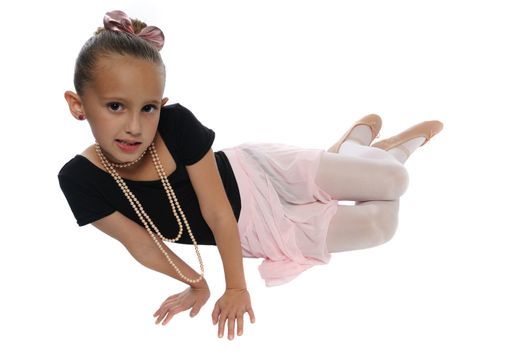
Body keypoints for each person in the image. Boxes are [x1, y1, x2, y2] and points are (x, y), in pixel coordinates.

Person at [58, 10, 443, 341]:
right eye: (114, 106)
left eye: (148, 109)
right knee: (383, 225)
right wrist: (198, 283)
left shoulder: (176, 124)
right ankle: (361, 155)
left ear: (163, 104)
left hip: (257, 172)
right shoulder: (79, 180)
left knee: (396, 182)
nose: (135, 127)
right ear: (78, 105)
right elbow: (142, 245)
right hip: (253, 229)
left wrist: (236, 286)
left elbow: (217, 211)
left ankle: (364, 151)